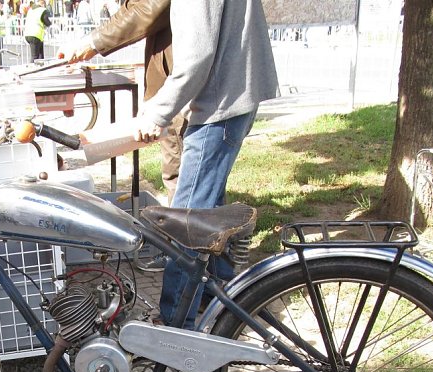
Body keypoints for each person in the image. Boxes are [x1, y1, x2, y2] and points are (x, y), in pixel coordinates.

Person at [131, 0, 278, 329]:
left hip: (220, 106)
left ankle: (173, 327)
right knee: (208, 210)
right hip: (229, 97)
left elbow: (196, 56)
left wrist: (158, 113)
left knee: (185, 223)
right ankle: (219, 297)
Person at [59, 0, 182, 272]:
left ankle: (190, 281)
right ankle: (209, 277)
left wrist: (92, 41)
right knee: (186, 184)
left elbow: (150, 9)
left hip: (185, 93)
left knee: (185, 187)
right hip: (178, 91)